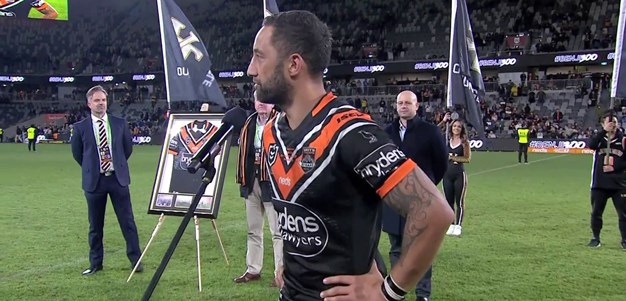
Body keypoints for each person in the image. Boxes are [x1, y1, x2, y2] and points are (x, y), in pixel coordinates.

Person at [248, 10, 454, 301]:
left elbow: (434, 211)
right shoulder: (271, 132)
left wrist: (389, 291)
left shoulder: (350, 132)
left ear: (294, 64)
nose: (250, 69)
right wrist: (291, 267)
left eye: (259, 56)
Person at [382, 90, 448, 301]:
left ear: (416, 106)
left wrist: (426, 187)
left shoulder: (430, 132)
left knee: (420, 250)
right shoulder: (386, 132)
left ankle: (423, 295)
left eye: (407, 103)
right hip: (393, 200)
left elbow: (441, 164)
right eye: (400, 103)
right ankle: (396, 293)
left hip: (421, 202)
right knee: (396, 248)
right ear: (396, 105)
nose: (403, 106)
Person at [71, 85, 143, 276]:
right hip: (95, 183)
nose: (101, 103)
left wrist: (115, 165)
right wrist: (93, 169)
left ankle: (136, 261)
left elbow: (127, 149)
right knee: (95, 226)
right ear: (89, 103)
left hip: (118, 180)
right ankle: (96, 264)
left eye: (103, 100)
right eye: (96, 100)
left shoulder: (119, 123)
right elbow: (78, 154)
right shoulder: (80, 128)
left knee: (128, 222)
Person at [234, 91, 283, 286]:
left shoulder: (281, 122)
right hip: (251, 179)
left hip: (272, 182)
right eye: (258, 100)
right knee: (253, 230)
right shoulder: (249, 123)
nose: (261, 104)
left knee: (277, 232)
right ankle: (253, 269)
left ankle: (281, 273)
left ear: (273, 103)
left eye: (266, 100)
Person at [586, 112, 626, 250]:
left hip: (619, 185)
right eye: (609, 122)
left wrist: (615, 167)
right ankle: (595, 238)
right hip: (599, 184)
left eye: (614, 122)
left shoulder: (623, 140)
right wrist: (604, 132)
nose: (613, 125)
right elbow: (590, 145)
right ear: (603, 124)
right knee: (596, 212)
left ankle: (625, 240)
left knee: (623, 214)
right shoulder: (599, 140)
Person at [443, 119, 472, 237]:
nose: (456, 128)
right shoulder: (447, 141)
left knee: (459, 202)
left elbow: (467, 159)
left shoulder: (465, 143)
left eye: (458, 127)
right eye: (454, 126)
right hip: (447, 175)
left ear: (462, 129)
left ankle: (458, 225)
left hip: (459, 175)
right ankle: (451, 224)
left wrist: (453, 158)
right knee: (448, 202)